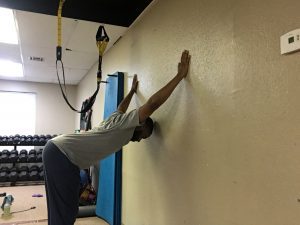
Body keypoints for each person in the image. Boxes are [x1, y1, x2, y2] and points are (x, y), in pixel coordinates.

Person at [42, 50, 191, 225]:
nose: (140, 140)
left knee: (63, 210)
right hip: (62, 155)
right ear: (141, 124)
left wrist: (132, 92)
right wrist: (179, 76)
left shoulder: (116, 120)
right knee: (64, 212)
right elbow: (152, 104)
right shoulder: (125, 125)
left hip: (58, 151)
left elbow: (121, 107)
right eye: (144, 135)